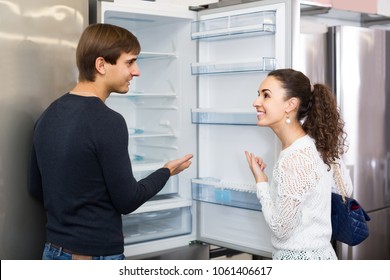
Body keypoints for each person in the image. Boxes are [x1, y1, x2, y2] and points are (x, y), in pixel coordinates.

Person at [28, 23, 193, 260]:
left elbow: (35, 188)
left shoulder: (48, 114)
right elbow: (127, 200)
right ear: (101, 65)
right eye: (130, 62)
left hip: (53, 252)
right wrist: (166, 171)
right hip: (94, 257)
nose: (136, 71)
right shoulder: (109, 122)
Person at [245, 68, 353, 260]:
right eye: (258, 95)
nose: (256, 102)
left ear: (290, 104)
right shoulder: (316, 144)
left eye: (266, 95)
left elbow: (281, 229)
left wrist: (261, 183)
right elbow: (346, 189)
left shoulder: (294, 158)